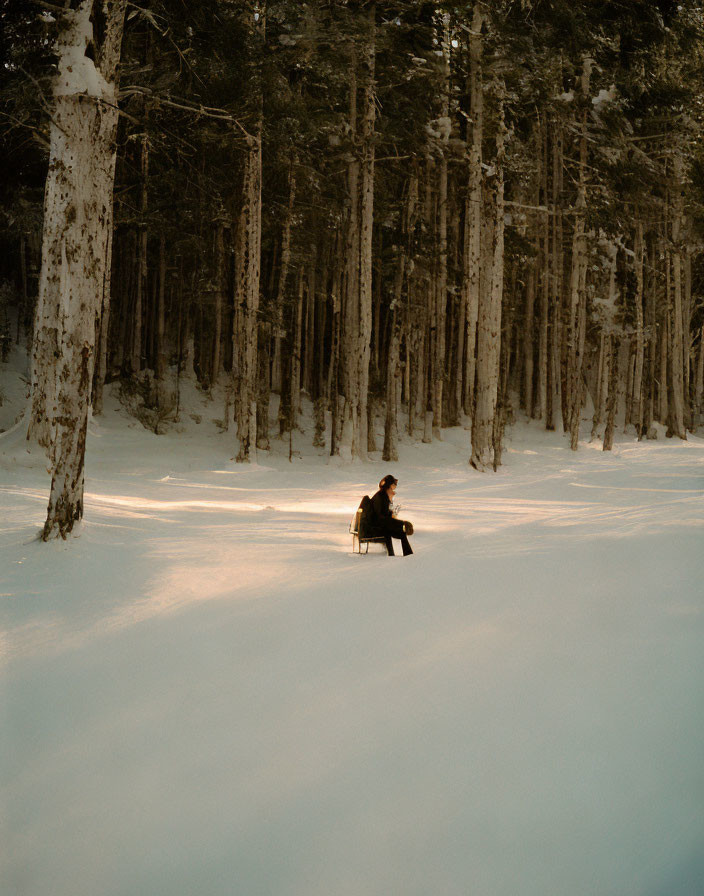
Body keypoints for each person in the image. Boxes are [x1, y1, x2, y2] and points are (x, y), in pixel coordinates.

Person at [369, 474, 414, 556]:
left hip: (379, 525)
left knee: (401, 532)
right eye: (394, 485)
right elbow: (381, 517)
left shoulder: (384, 496)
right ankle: (403, 554)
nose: (395, 487)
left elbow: (385, 515)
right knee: (396, 530)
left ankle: (408, 554)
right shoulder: (381, 496)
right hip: (374, 528)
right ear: (389, 486)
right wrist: (401, 523)